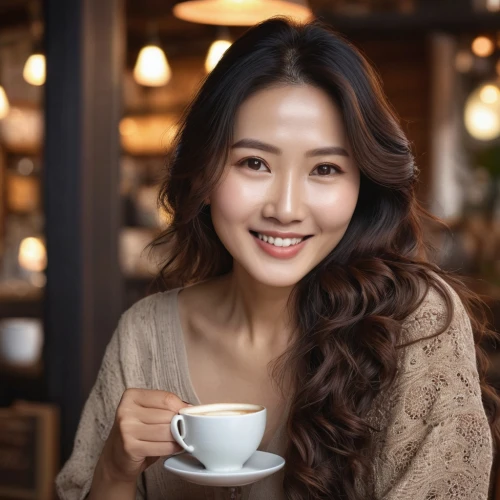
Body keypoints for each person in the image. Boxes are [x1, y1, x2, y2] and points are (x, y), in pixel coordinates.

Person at [55, 17, 499, 500]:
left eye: (325, 168)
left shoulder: (418, 324)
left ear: (363, 186)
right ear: (204, 171)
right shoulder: (143, 336)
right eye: (254, 163)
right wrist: (115, 471)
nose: (285, 209)